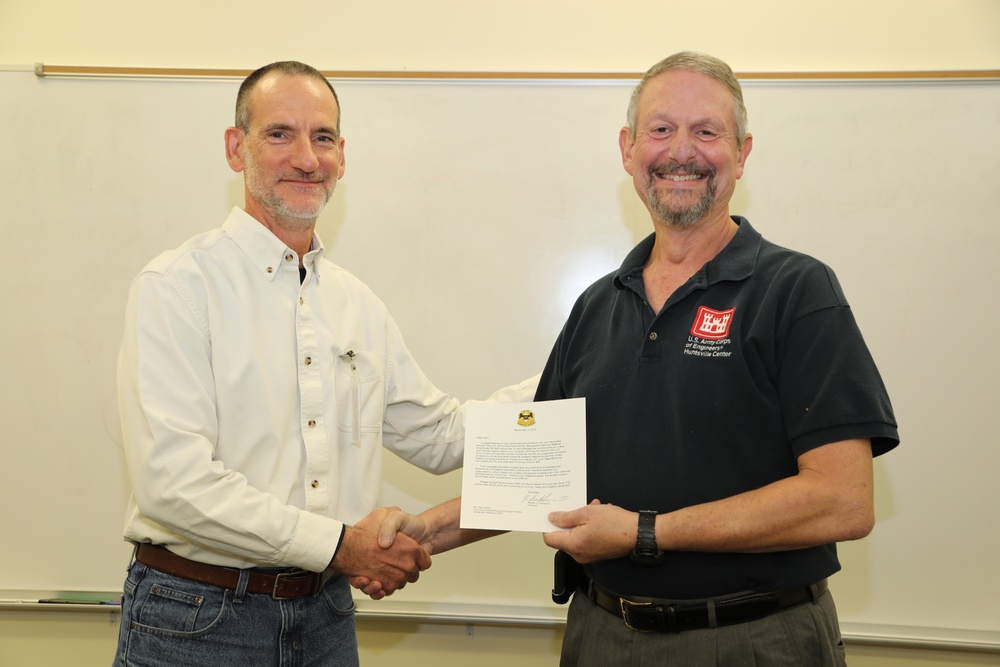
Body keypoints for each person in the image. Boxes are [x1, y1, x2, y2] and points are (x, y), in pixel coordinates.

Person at [362, 51, 899, 666]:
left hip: (754, 640)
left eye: (707, 131)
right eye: (661, 129)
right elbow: (534, 480)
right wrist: (423, 531)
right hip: (602, 636)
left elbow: (844, 500)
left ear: (743, 152)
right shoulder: (597, 306)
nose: (681, 152)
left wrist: (644, 533)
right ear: (628, 149)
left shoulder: (797, 291)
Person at [113, 60, 534, 667]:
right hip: (197, 621)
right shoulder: (178, 288)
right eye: (279, 134)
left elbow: (440, 437)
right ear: (237, 149)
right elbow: (173, 486)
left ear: (343, 154)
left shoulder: (356, 303)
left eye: (324, 137)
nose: (307, 158)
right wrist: (341, 546)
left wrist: (572, 382)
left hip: (326, 617)